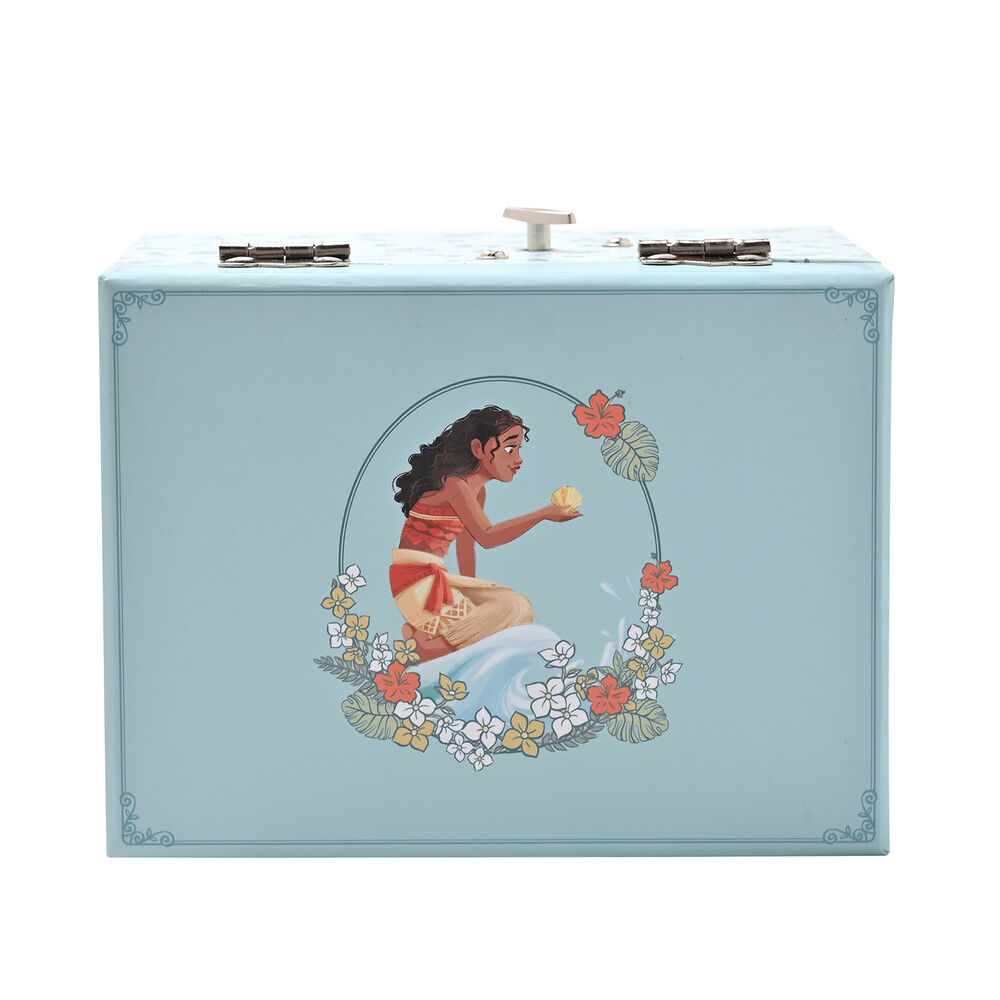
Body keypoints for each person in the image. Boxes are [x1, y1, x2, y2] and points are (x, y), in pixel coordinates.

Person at [390, 406, 581, 662]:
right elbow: (487, 537)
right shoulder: (454, 484)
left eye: (519, 449)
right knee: (511, 607)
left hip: (438, 577)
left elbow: (466, 546)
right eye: (510, 449)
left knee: (517, 606)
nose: (519, 459)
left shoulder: (477, 492)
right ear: (478, 448)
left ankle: (428, 635)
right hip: (415, 581)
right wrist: (542, 514)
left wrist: (470, 596)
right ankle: (425, 648)